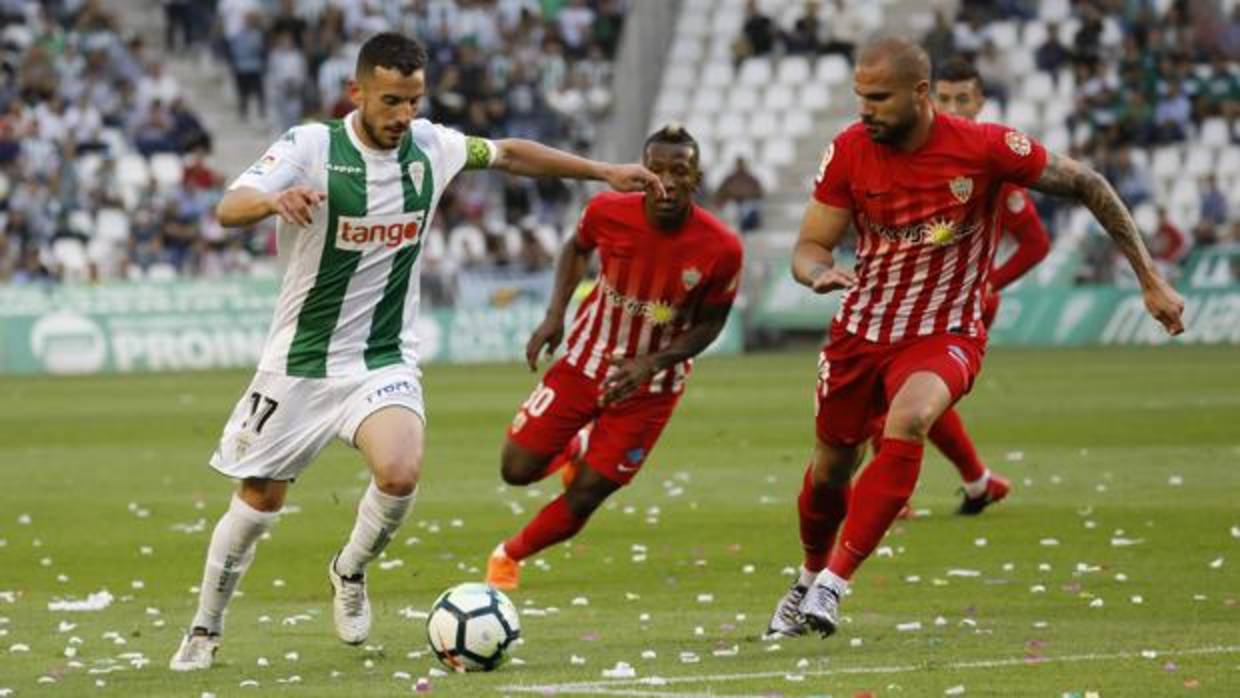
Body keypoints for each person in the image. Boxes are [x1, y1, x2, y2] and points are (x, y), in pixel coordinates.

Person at [169, 32, 663, 671]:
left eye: (413, 100)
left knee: (400, 473)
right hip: (301, 361)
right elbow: (229, 208)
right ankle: (205, 629)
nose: (404, 115)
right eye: (391, 101)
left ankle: (349, 570)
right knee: (260, 497)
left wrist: (602, 173)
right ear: (358, 92)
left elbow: (510, 153)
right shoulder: (311, 146)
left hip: (382, 358)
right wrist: (273, 200)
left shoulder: (432, 146)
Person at [763, 38, 1183, 641]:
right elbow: (809, 245)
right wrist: (816, 272)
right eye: (860, 97)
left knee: (909, 420)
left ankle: (834, 582)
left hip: (946, 330)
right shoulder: (850, 151)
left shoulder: (984, 148)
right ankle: (804, 579)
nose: (865, 110)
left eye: (878, 98)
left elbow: (1087, 182)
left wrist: (1150, 280)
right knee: (830, 471)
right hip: (860, 331)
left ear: (920, 93)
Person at [484, 124, 743, 590]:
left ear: (695, 178)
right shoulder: (606, 211)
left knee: (585, 495)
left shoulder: (722, 248)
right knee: (515, 469)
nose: (666, 180)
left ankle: (509, 555)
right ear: (642, 172)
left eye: (678, 171)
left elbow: (711, 324)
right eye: (656, 168)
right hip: (585, 361)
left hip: (653, 388)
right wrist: (554, 314)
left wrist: (653, 363)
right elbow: (576, 248)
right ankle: (579, 444)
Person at [872, 56, 1054, 517]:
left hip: (958, 305)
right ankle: (976, 482)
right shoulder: (919, 149)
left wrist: (989, 284)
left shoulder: (989, 160)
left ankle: (897, 495)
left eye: (963, 99)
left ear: (980, 102)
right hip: (912, 295)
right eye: (945, 98)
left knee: (901, 392)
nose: (953, 107)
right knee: (909, 395)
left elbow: (1035, 243)